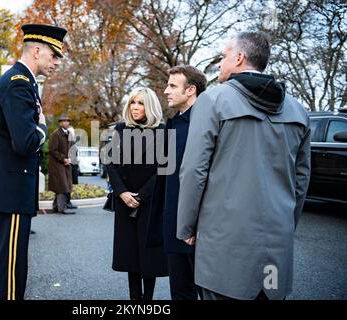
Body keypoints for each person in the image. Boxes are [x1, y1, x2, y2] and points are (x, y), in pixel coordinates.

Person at [176, 31, 311, 300]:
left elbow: (194, 171)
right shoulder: (298, 111)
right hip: (276, 245)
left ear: (239, 58)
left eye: (224, 55)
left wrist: (186, 226)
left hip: (224, 245)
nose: (219, 63)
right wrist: (286, 224)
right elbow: (301, 179)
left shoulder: (212, 101)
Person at [0, 24, 67, 300]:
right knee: (10, 272)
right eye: (54, 55)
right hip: (11, 190)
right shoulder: (19, 84)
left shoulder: (22, 82)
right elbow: (25, 141)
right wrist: (41, 127)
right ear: (37, 50)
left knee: (11, 267)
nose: (56, 63)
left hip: (9, 188)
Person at [146, 65, 207, 300]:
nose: (166, 91)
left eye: (172, 86)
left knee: (206, 291)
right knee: (180, 291)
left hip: (197, 229)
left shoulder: (207, 124)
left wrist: (193, 223)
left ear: (190, 90)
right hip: (172, 223)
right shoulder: (173, 124)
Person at [107, 87, 168, 300]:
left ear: (149, 106)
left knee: (148, 254)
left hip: (149, 202)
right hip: (125, 201)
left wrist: (141, 196)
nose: (135, 107)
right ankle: (134, 298)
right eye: (133, 102)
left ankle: (147, 299)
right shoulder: (121, 129)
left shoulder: (162, 131)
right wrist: (122, 193)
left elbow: (164, 170)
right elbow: (111, 165)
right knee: (130, 254)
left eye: (141, 103)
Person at [48, 114, 76, 214]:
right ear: (60, 123)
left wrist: (70, 158)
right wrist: (63, 159)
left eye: (68, 121)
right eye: (64, 121)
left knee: (63, 185)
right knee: (62, 186)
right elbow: (52, 150)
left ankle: (55, 207)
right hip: (57, 164)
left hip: (65, 163)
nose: (66, 122)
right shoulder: (56, 134)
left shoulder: (68, 133)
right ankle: (61, 208)